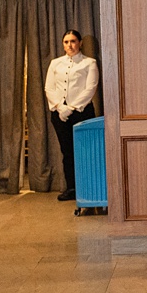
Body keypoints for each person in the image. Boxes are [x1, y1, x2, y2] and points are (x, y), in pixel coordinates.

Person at [44, 30, 99, 201]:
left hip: (82, 113)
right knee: (67, 151)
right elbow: (49, 88)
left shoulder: (89, 63)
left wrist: (73, 107)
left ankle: (89, 188)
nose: (70, 45)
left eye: (73, 41)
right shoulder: (55, 63)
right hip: (60, 115)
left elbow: (90, 88)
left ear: (80, 43)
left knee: (86, 152)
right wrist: (61, 108)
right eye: (66, 42)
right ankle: (72, 188)